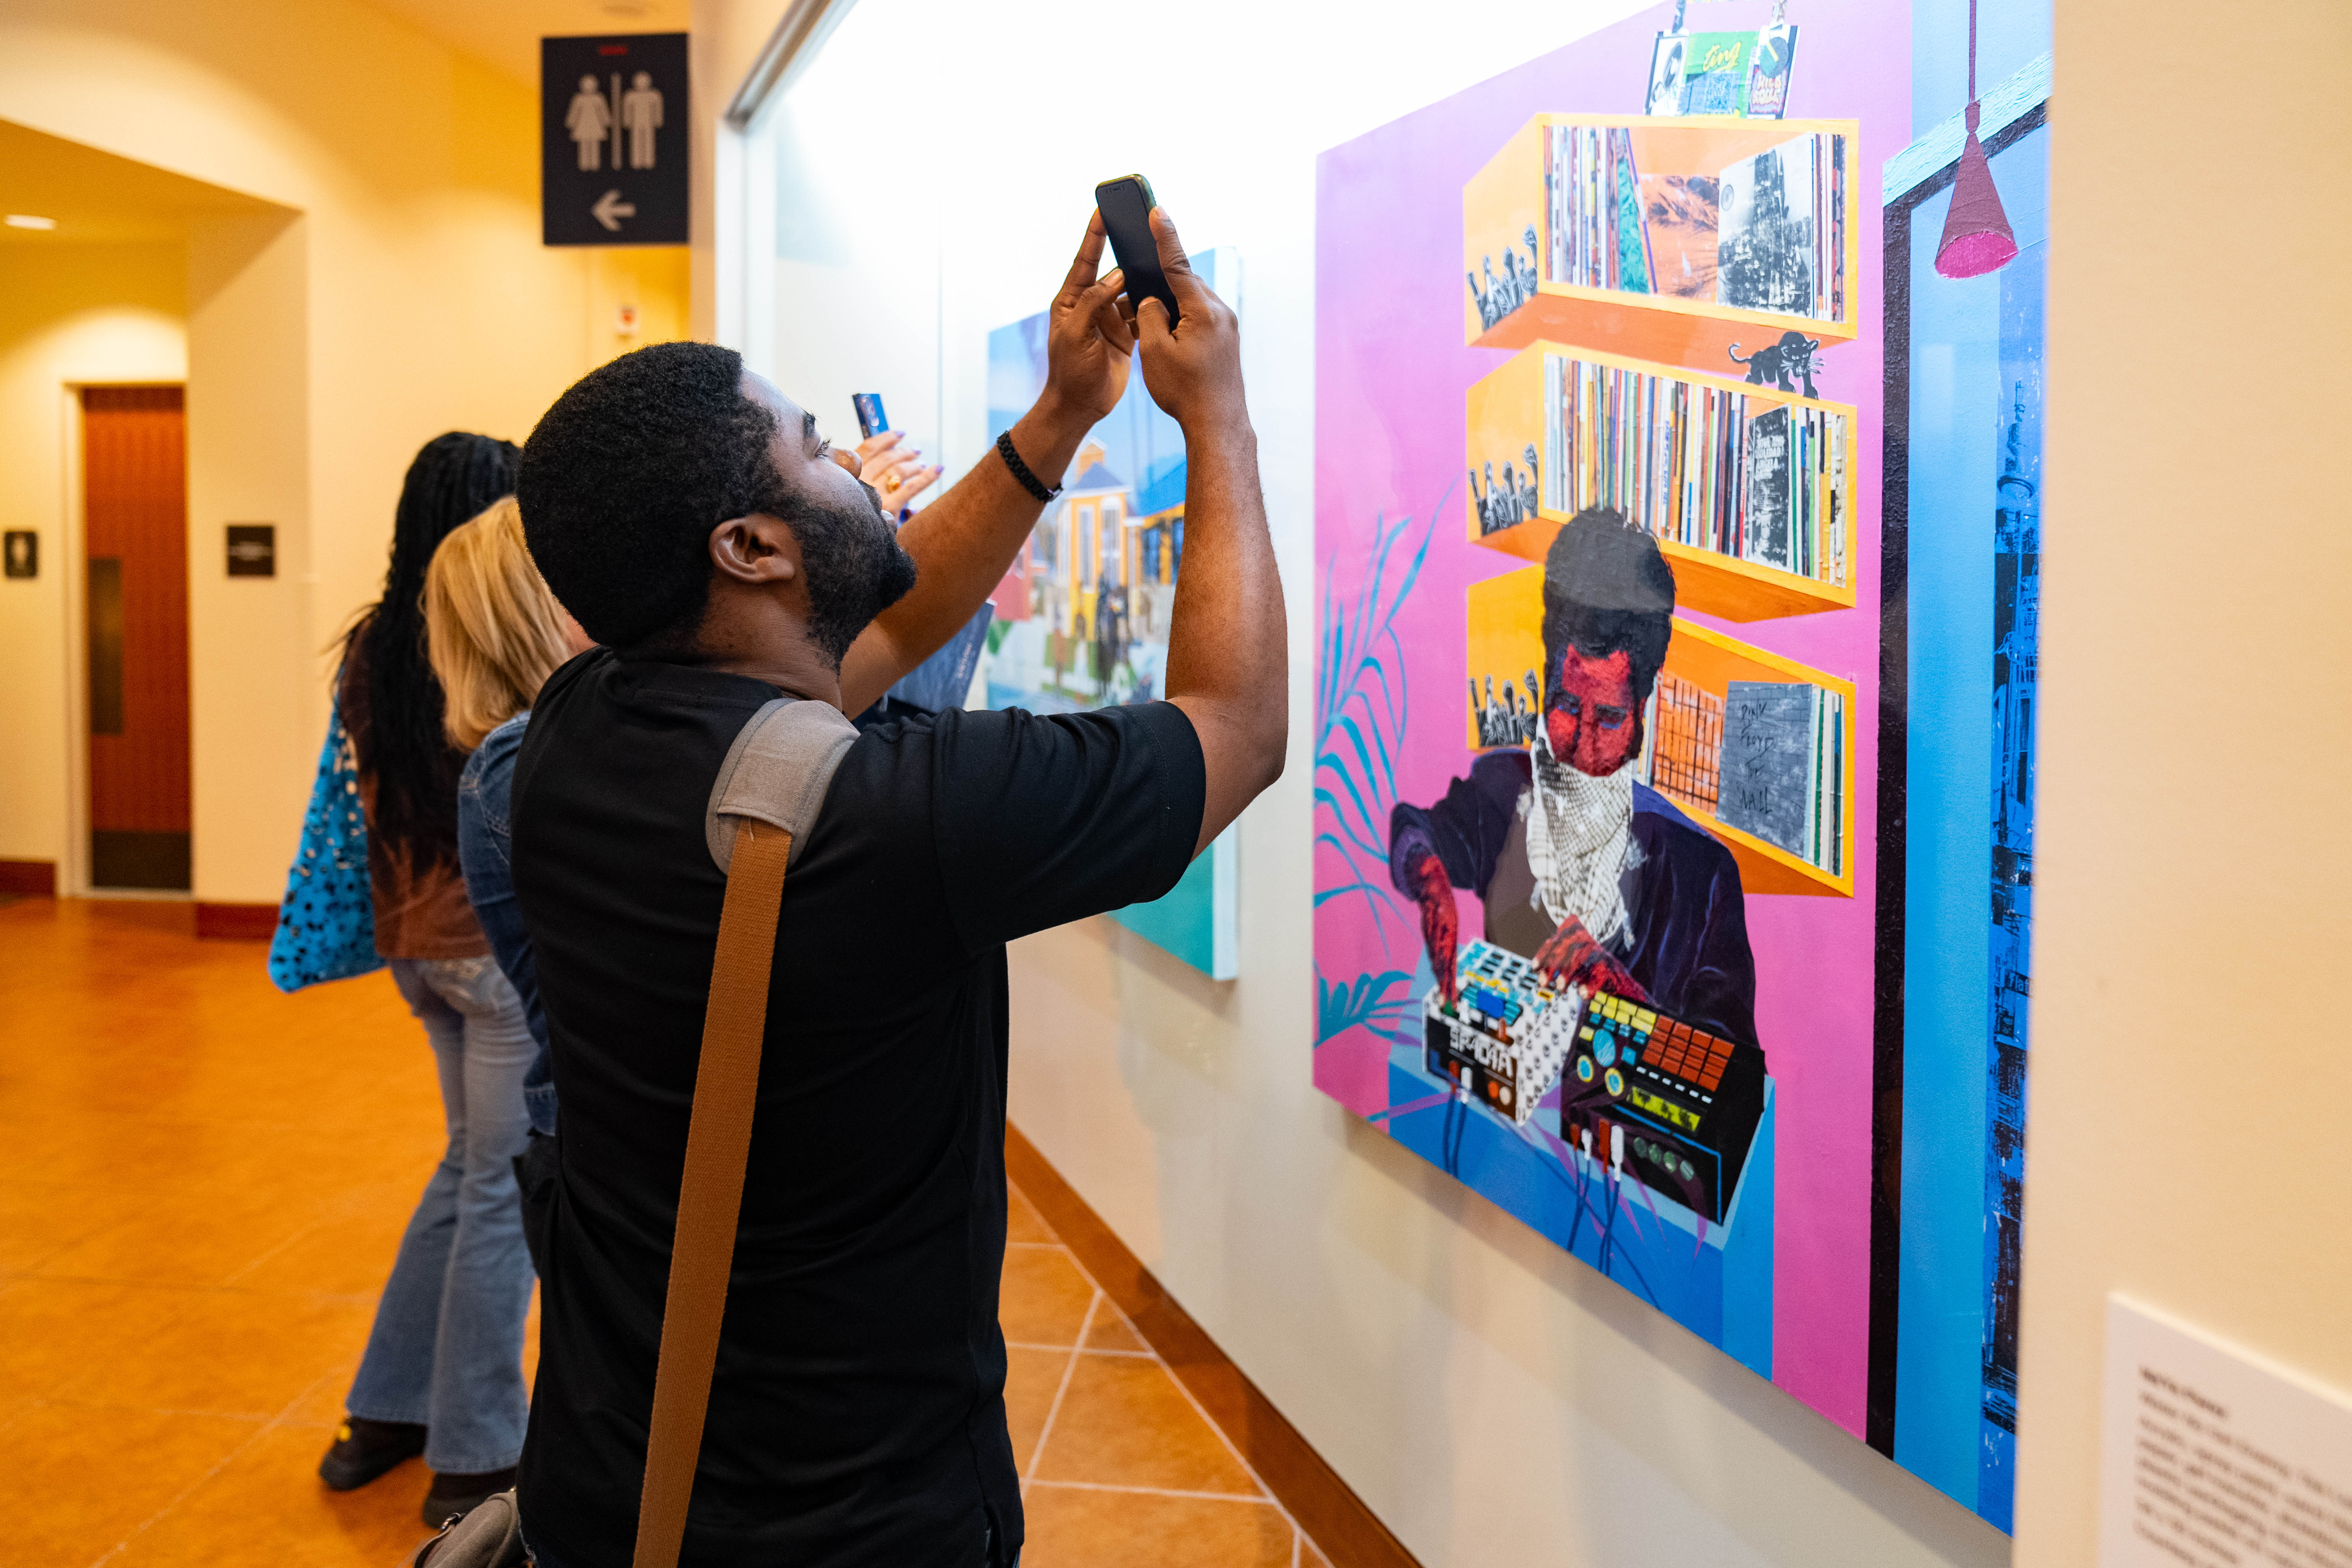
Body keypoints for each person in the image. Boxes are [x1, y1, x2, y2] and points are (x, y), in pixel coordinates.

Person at [506, 208, 1282, 1568]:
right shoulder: (888, 823)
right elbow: (1235, 727)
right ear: (750, 549)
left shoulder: (574, 732)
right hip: (851, 1524)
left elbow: (883, 628)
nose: (856, 464)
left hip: (617, 1482)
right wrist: (1216, 417)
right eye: (814, 446)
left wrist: (1059, 420)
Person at [318, 434, 541, 1528]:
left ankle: (386, 1412)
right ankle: (476, 1451)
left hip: (413, 943)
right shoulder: (492, 633)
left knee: (465, 1167)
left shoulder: (371, 646)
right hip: (494, 953)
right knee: (500, 1185)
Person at [1389, 508, 1758, 1046]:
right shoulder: (1503, 789)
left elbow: (1734, 1077)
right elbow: (1417, 831)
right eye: (1564, 705)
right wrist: (1432, 885)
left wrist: (1628, 1001)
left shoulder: (1700, 875)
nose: (1582, 744)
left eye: (1609, 718)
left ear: (1643, 707)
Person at [424, 496, 595, 1146]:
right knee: (486, 1179)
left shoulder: (528, 748)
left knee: (471, 1162)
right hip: (587, 1121)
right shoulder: (526, 756)